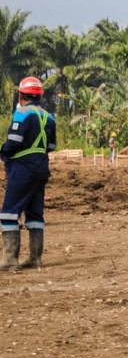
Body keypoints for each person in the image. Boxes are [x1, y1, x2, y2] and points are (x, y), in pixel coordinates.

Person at [0, 77, 56, 271]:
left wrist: (4, 152)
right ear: (39, 96)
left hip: (23, 167)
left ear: (21, 95)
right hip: (41, 167)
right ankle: (35, 258)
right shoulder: (49, 117)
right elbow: (51, 146)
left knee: (8, 213)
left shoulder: (21, 113)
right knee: (34, 213)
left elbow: (14, 140)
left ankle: (9, 260)